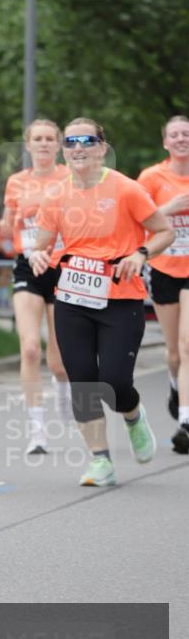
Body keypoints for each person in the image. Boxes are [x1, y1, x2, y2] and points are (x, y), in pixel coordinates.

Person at [30, 117, 175, 487]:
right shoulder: (56, 195)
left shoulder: (125, 189)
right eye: (71, 142)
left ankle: (132, 415)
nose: (78, 148)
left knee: (113, 381)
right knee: (82, 381)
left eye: (86, 141)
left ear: (101, 147)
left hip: (120, 297)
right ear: (64, 150)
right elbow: (42, 243)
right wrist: (36, 255)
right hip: (73, 297)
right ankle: (100, 460)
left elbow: (164, 230)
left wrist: (141, 254)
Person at [0, 119, 71, 454]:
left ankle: (64, 391)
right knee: (30, 347)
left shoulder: (69, 178)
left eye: (51, 139)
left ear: (59, 144)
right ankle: (37, 429)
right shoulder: (17, 182)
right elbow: (9, 226)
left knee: (59, 362)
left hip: (61, 265)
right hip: (27, 265)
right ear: (28, 145)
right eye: (39, 139)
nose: (45, 144)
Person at [138, 115, 189, 453]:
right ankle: (175, 386)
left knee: (188, 346)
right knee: (173, 353)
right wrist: (166, 209)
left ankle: (185, 421)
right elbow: (136, 221)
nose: (182, 139)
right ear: (165, 142)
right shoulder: (151, 177)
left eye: (187, 134)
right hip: (164, 268)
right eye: (175, 134)